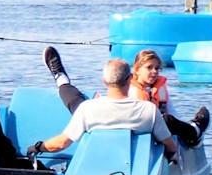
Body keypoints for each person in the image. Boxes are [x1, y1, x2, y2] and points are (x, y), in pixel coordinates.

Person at [30, 53, 180, 163]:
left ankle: (61, 79)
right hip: (132, 165)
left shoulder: (87, 109)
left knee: (75, 100)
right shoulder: (149, 110)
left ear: (104, 81)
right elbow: (170, 146)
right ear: (130, 79)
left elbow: (61, 144)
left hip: (96, 159)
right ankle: (62, 79)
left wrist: (37, 148)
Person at [129, 49, 209, 147]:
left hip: (161, 130)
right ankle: (195, 131)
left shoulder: (161, 90)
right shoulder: (130, 90)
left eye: (157, 68)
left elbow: (172, 113)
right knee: (165, 120)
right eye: (149, 67)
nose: (154, 71)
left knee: (167, 120)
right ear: (137, 70)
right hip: (142, 130)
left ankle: (194, 133)